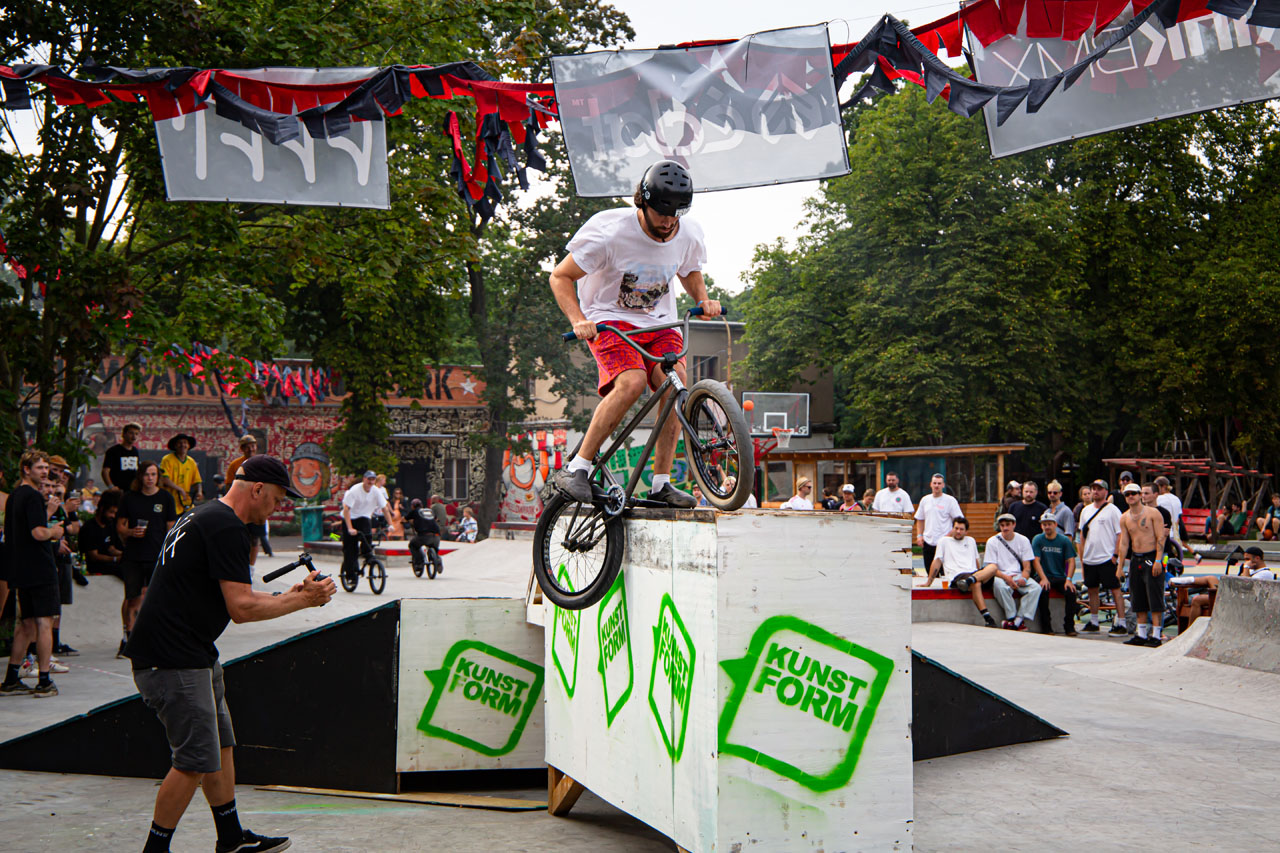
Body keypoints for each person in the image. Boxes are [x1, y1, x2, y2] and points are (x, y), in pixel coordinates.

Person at [126, 455, 334, 853]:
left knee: (220, 744)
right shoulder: (227, 529)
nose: (275, 509)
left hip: (192, 652)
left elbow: (233, 594)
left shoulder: (203, 515)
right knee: (193, 759)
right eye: (274, 500)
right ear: (256, 489)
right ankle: (155, 850)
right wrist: (305, 602)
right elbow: (241, 609)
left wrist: (289, 594)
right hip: (173, 659)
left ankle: (231, 837)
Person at [549, 159, 716, 510]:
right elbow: (560, 277)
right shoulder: (608, 232)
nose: (669, 223)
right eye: (662, 214)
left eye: (676, 215)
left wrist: (703, 299)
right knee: (632, 382)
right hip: (610, 320)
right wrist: (578, 319)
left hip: (659, 323)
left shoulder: (686, 232)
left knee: (676, 385)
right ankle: (578, 466)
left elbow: (689, 269)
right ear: (642, 201)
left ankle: (660, 484)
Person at [1, 451, 65, 697]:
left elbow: (23, 529)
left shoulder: (15, 496)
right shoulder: (33, 497)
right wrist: (55, 532)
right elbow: (38, 533)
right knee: (44, 623)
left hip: (20, 567)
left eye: (46, 467)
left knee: (25, 625)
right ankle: (45, 680)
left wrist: (46, 513)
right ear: (26, 469)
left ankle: (11, 678)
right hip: (39, 567)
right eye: (39, 467)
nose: (45, 471)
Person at [117, 461, 178, 657]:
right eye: (146, 474)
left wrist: (169, 552)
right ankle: (128, 636)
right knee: (132, 597)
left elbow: (171, 527)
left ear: (158, 477)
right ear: (140, 477)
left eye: (153, 474)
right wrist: (129, 532)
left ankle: (154, 637)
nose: (150, 478)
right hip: (133, 555)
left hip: (156, 555)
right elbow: (120, 526)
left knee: (155, 598)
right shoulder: (129, 498)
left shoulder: (165, 498)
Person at [1116, 482, 1167, 647]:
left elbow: (1160, 537)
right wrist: (1120, 566)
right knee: (1137, 596)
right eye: (1127, 494)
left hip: (1151, 556)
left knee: (1154, 595)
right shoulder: (1124, 517)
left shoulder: (1153, 513)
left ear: (1139, 495)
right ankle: (1142, 633)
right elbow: (1124, 543)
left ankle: (1157, 634)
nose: (1130, 496)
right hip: (1136, 558)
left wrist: (1158, 560)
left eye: (1133, 493)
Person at [924, 517, 1000, 628]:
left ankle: (969, 581)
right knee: (976, 583)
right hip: (957, 575)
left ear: (966, 531)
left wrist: (978, 575)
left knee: (993, 567)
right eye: (956, 528)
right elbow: (937, 561)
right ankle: (988, 618)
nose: (958, 531)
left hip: (972, 574)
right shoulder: (944, 541)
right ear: (952, 529)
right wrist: (929, 582)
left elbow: (976, 561)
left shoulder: (971, 540)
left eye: (961, 529)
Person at [1077, 479, 1126, 635]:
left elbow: (1120, 534)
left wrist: (1115, 555)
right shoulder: (1086, 510)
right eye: (1093, 489)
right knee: (1092, 589)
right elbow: (1083, 534)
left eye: (1099, 489)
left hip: (1106, 557)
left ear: (1106, 492)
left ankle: (1122, 622)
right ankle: (1094, 621)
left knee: (1115, 589)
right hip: (1090, 557)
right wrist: (1083, 556)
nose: (1096, 492)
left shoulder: (1113, 510)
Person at [984, 513, 1041, 630]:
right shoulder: (992, 541)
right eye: (1002, 525)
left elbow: (1027, 567)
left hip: (1017, 574)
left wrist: (1024, 578)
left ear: (1014, 525)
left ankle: (1017, 621)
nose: (1005, 528)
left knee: (1036, 588)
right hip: (1000, 575)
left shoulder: (1023, 540)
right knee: (1001, 587)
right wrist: (1006, 578)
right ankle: (1012, 617)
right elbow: (991, 568)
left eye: (1008, 525)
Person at [1032, 512, 1078, 636]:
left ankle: (1069, 626)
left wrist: (1069, 579)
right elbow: (1036, 561)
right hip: (1044, 575)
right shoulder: (1038, 539)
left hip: (1060, 576)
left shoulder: (1064, 540)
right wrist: (1043, 578)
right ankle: (1046, 626)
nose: (1047, 527)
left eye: (1049, 524)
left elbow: (1071, 560)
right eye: (1044, 524)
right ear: (1041, 526)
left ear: (1055, 525)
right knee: (1043, 590)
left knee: (1071, 593)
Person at [914, 474, 963, 575]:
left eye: (939, 483)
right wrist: (919, 535)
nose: (937, 486)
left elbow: (959, 521)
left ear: (943, 485)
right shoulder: (925, 500)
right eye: (935, 483)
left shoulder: (950, 501)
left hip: (945, 542)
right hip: (928, 542)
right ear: (931, 484)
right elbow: (920, 519)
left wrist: (949, 535)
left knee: (945, 573)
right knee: (930, 573)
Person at [342, 471, 386, 580]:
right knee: (351, 549)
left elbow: (384, 507)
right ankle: (350, 575)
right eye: (368, 480)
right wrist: (350, 528)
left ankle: (368, 555)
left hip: (363, 518)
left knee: (367, 536)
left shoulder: (375, 491)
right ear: (364, 480)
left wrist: (390, 524)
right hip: (349, 518)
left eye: (373, 480)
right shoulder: (353, 491)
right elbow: (346, 510)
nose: (370, 482)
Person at [160, 433, 202, 516]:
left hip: (186, 502)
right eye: (180, 443)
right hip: (170, 500)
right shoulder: (167, 459)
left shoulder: (191, 462)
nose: (183, 445)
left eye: (185, 442)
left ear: (189, 446)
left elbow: (197, 481)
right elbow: (164, 479)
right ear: (175, 446)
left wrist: (199, 492)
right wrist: (180, 489)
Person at [407, 498, 444, 577]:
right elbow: (436, 519)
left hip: (424, 535)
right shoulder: (429, 511)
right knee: (434, 547)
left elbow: (405, 519)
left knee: (412, 545)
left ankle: (419, 563)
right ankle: (437, 560)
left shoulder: (414, 511)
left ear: (413, 506)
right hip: (436, 535)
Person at [103, 421, 142, 491]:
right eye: (131, 433)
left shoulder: (135, 451)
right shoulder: (113, 451)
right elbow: (105, 471)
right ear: (123, 434)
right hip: (118, 490)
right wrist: (111, 486)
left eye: (136, 434)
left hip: (133, 490)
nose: (134, 436)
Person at [1154, 476, 1183, 545]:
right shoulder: (1176, 499)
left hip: (1162, 532)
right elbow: (1178, 518)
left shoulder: (1158, 499)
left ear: (1163, 486)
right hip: (1175, 532)